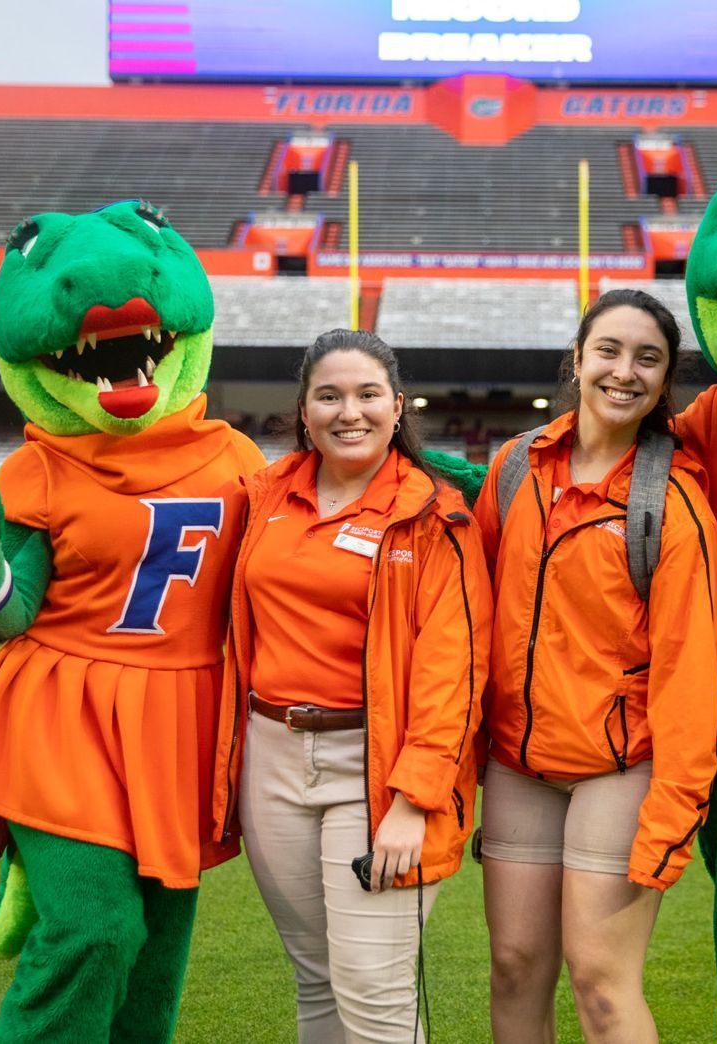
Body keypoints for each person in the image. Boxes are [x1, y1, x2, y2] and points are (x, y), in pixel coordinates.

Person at [211, 329, 492, 1043]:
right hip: (270, 757)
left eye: (368, 395)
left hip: (377, 765)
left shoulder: (433, 512)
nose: (349, 412)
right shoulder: (262, 495)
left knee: (374, 994)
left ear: (397, 407)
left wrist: (415, 798)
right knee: (316, 980)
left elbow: (454, 664)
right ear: (303, 412)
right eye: (328, 396)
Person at [472, 289, 717, 1043]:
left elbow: (688, 671)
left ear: (664, 380)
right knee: (514, 968)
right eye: (608, 350)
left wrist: (674, 815)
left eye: (647, 358)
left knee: (601, 984)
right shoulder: (515, 468)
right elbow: (472, 616)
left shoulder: (673, 502)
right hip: (518, 763)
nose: (624, 371)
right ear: (576, 361)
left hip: (619, 766)